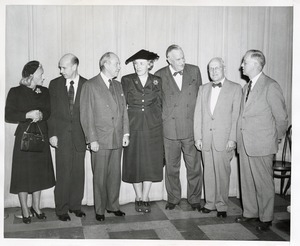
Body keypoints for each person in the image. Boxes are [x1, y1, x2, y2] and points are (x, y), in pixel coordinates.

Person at [236, 50, 288, 231]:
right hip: (245, 143)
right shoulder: (246, 88)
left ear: (257, 64)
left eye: (245, 62)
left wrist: (274, 139)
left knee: (263, 183)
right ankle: (250, 213)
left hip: (262, 144)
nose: (241, 65)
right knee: (247, 181)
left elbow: (281, 118)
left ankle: (266, 218)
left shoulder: (270, 85)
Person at [80, 52, 130, 222]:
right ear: (106, 64)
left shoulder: (118, 85)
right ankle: (100, 210)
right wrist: (91, 139)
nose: (119, 66)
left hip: (117, 138)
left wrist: (126, 132)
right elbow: (86, 115)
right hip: (100, 140)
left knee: (115, 175)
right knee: (100, 176)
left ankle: (113, 206)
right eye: (116, 63)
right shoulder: (90, 85)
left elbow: (124, 111)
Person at [5, 60, 55, 224]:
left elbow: (48, 111)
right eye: (41, 74)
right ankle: (25, 209)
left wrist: (41, 115)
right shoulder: (15, 91)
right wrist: (27, 115)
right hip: (24, 138)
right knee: (23, 175)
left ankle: (36, 207)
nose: (43, 76)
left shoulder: (45, 91)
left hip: (40, 136)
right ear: (32, 76)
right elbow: (9, 115)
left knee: (38, 173)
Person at [155, 44, 203, 211]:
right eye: (178, 59)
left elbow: (201, 100)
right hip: (169, 130)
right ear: (169, 59)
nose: (182, 61)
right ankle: (173, 198)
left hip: (191, 129)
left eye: (183, 57)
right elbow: (158, 104)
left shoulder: (195, 71)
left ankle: (195, 198)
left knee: (194, 167)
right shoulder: (159, 75)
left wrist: (199, 129)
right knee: (171, 167)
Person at [194, 57, 242, 218]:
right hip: (206, 139)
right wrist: (198, 137)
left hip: (224, 140)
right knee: (208, 172)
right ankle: (209, 203)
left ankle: (222, 205)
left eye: (217, 68)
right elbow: (198, 115)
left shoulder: (235, 88)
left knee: (222, 173)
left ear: (224, 68)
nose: (213, 71)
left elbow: (237, 116)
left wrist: (233, 138)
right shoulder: (203, 89)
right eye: (210, 69)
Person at [121, 49, 164, 213]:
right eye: (135, 63)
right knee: (134, 162)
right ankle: (138, 197)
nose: (137, 66)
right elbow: (122, 105)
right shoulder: (127, 80)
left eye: (141, 63)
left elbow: (160, 104)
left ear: (149, 64)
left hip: (153, 126)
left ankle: (146, 197)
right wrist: (124, 130)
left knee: (149, 162)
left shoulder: (157, 81)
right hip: (133, 126)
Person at [48, 54, 87, 221]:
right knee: (63, 173)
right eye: (60, 67)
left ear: (74, 66)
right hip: (61, 136)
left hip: (80, 136)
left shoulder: (87, 84)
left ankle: (75, 206)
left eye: (64, 67)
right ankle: (61, 209)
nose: (61, 71)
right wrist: (53, 134)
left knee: (78, 173)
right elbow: (51, 112)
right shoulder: (55, 84)